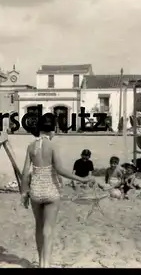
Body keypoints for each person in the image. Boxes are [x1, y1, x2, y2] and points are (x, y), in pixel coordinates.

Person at [20, 114, 95, 268]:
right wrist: (81, 179)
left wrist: (24, 193)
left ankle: (40, 262)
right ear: (52, 130)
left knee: (38, 227)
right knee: (48, 229)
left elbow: (25, 172)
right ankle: (45, 264)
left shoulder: (31, 147)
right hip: (51, 190)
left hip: (36, 190)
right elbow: (60, 170)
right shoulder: (53, 146)